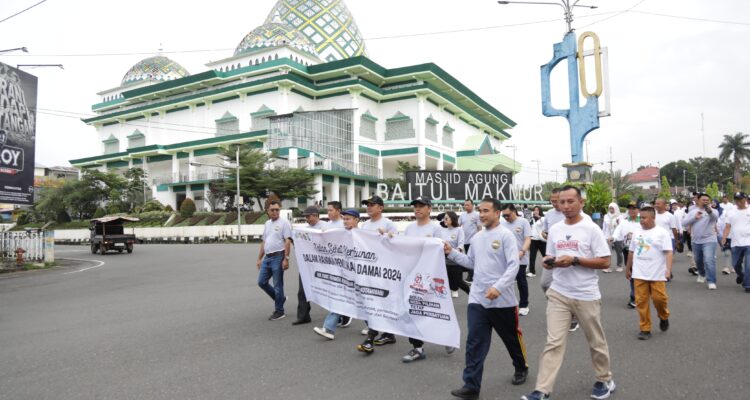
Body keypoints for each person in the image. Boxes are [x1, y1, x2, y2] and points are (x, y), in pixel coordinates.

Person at [521, 186, 615, 400]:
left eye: (570, 201)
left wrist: (574, 260)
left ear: (581, 202)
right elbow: (550, 257)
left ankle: (604, 379)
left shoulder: (591, 229)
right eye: (561, 202)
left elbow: (605, 261)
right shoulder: (555, 229)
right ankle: (542, 390)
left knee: (595, 341)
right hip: (559, 293)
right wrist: (549, 262)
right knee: (553, 342)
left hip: (586, 294)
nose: (565, 206)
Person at [446, 197, 528, 400]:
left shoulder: (506, 236)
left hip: (503, 301)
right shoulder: (476, 238)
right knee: (474, 343)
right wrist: (451, 254)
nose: (481, 214)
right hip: (478, 299)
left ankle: (521, 366)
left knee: (511, 340)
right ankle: (471, 386)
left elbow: (513, 266)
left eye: (486, 211)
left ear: (497, 213)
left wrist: (498, 287)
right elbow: (471, 262)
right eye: (480, 211)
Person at [625, 206, 673, 340]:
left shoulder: (662, 233)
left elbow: (668, 252)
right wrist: (628, 268)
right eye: (641, 217)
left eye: (644, 218)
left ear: (653, 218)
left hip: (657, 273)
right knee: (641, 302)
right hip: (639, 273)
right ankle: (645, 328)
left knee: (660, 299)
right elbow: (631, 251)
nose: (641, 220)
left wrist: (668, 269)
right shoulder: (637, 232)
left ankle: (663, 316)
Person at [312, 209, 360, 340]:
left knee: (363, 303)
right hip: (344, 274)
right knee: (339, 298)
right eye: (344, 219)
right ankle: (328, 328)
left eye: (348, 219)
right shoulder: (340, 234)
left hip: (359, 276)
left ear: (356, 220)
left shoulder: (363, 235)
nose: (345, 221)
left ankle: (376, 328)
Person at [358, 195, 400, 342]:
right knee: (369, 299)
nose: (368, 207)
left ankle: (375, 335)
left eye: (372, 204)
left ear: (381, 207)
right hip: (368, 268)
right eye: (367, 205)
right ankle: (381, 331)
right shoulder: (364, 225)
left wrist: (388, 237)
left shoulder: (388, 224)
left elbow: (397, 244)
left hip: (383, 269)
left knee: (382, 300)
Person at [257, 201, 292, 321]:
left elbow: (288, 241)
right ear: (268, 211)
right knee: (261, 282)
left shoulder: (284, 223)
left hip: (278, 256)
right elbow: (264, 241)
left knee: (278, 285)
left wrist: (286, 259)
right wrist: (259, 258)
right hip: (267, 257)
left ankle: (279, 311)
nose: (275, 212)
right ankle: (280, 299)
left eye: (277, 209)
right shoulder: (267, 224)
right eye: (272, 210)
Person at [291, 206, 325, 326]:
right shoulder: (306, 229)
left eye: (308, 216)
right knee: (302, 290)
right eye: (305, 217)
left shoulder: (325, 227)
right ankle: (303, 316)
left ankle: (341, 315)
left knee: (329, 289)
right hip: (308, 264)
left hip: (323, 264)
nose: (307, 219)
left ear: (316, 215)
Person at [500, 204, 532, 316]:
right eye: (503, 215)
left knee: (521, 281)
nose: (506, 218)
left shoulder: (523, 222)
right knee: (505, 282)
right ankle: (506, 304)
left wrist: (522, 251)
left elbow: (528, 239)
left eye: (507, 215)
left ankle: (524, 305)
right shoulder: (502, 224)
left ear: (514, 211)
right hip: (505, 259)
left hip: (520, 258)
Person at [683, 193, 720, 290]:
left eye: (707, 200)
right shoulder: (692, 211)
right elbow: (684, 223)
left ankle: (711, 281)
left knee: (708, 260)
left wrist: (709, 211)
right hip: (696, 240)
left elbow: (715, 218)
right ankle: (702, 274)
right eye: (703, 200)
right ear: (698, 201)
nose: (706, 201)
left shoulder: (714, 211)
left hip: (710, 239)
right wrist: (695, 217)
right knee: (698, 261)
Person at [613, 202, 641, 309]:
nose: (632, 210)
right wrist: (613, 238)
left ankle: (637, 296)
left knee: (639, 273)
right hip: (627, 250)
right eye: (630, 208)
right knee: (632, 273)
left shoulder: (642, 221)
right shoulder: (624, 222)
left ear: (638, 210)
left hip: (640, 251)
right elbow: (617, 231)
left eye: (634, 208)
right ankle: (635, 296)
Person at [721, 192, 750, 293]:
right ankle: (741, 275)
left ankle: (748, 285)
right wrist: (724, 237)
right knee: (735, 264)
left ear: (745, 199)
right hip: (736, 243)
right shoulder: (731, 212)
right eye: (737, 200)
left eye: (741, 199)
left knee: (749, 265)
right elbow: (727, 227)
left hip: (748, 242)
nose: (739, 202)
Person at [441, 211, 470, 298]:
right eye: (444, 218)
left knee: (459, 282)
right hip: (445, 260)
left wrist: (454, 253)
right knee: (448, 281)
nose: (444, 220)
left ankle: (471, 293)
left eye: (446, 218)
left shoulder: (459, 230)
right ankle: (454, 289)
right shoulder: (443, 231)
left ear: (452, 219)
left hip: (456, 260)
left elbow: (461, 244)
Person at [460, 199, 482, 283]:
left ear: (472, 205)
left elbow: (479, 227)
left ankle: (471, 276)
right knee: (468, 259)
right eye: (465, 205)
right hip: (465, 241)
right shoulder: (462, 215)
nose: (466, 206)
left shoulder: (477, 215)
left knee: (473, 258)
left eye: (468, 205)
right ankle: (472, 275)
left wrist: (480, 239)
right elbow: (458, 226)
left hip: (474, 241)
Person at [602, 202, 624, 273]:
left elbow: (621, 227)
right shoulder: (606, 216)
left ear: (616, 208)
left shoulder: (620, 216)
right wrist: (603, 235)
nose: (611, 209)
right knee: (607, 252)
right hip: (608, 236)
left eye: (612, 208)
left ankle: (619, 266)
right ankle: (608, 267)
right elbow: (604, 226)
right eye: (610, 208)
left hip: (617, 236)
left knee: (619, 252)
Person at [528, 206, 546, 278]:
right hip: (533, 240)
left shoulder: (543, 218)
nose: (535, 211)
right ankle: (532, 272)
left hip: (541, 240)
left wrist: (539, 217)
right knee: (532, 256)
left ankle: (552, 269)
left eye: (537, 210)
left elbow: (544, 223)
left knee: (546, 255)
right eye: (534, 210)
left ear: (540, 211)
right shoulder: (532, 219)